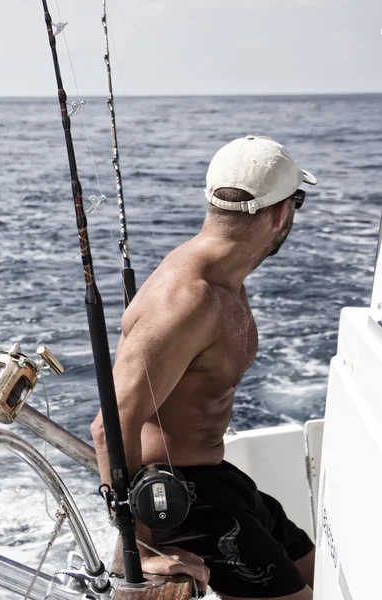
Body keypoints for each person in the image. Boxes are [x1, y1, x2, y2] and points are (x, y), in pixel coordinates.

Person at [91, 136, 318, 600]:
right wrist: (137, 545)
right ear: (280, 214)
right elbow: (109, 424)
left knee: (322, 569)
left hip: (221, 481)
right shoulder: (186, 299)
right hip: (180, 500)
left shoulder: (227, 278)